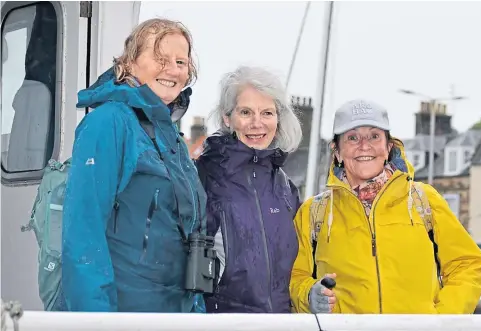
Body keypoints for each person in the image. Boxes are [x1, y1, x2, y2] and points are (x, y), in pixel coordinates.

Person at [62, 18, 207, 312]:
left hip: (173, 314)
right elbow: (83, 231)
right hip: (126, 314)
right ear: (129, 63)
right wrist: (97, 321)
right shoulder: (109, 122)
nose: (172, 69)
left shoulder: (172, 138)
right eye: (160, 58)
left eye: (180, 61)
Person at [289, 99, 481, 314]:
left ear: (388, 147)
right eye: (352, 138)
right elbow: (294, 278)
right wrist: (309, 294)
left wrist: (441, 319)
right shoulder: (313, 212)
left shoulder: (424, 200)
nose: (364, 145)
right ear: (336, 150)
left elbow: (467, 264)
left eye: (374, 136)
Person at [195, 66, 303, 313]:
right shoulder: (204, 178)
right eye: (246, 112)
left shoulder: (286, 187)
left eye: (267, 113)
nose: (257, 123)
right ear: (227, 117)